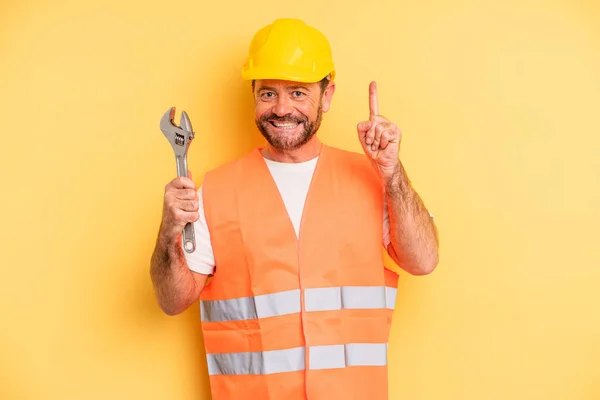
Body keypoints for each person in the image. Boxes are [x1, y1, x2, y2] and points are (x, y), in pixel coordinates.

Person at [150, 18, 439, 400]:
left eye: (298, 93)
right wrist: (169, 230)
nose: (282, 108)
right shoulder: (216, 190)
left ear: (328, 95)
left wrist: (392, 173)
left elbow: (424, 260)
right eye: (268, 93)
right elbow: (172, 301)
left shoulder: (371, 178)